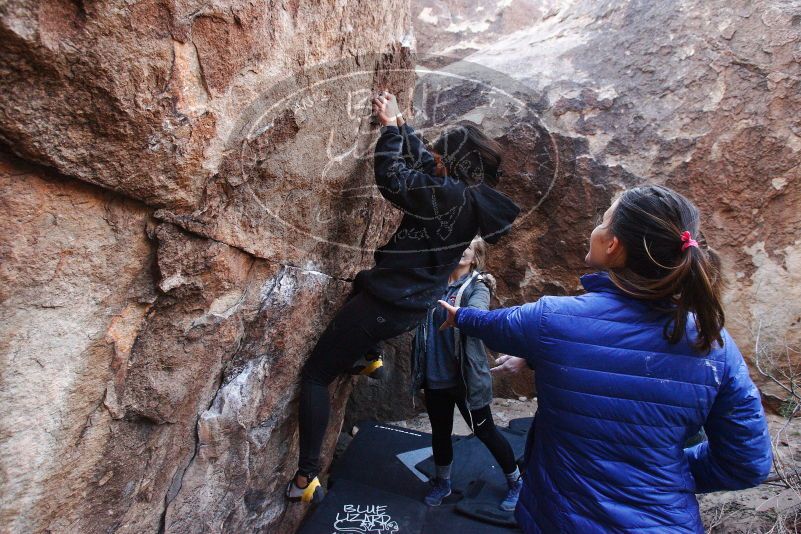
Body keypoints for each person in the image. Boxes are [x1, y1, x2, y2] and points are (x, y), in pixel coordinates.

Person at [438, 185, 772, 533]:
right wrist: (662, 472)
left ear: (612, 245)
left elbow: (494, 324)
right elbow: (747, 463)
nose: (596, 227)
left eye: (603, 219)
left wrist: (458, 317)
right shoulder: (713, 341)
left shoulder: (552, 319)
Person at [286, 90, 521, 503]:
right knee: (363, 279)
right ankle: (368, 356)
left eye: (440, 154)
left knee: (316, 376)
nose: (433, 156)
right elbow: (426, 160)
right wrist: (397, 123)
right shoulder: (464, 193)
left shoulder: (445, 195)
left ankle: (305, 477)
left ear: (452, 163)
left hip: (385, 306)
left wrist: (389, 135)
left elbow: (394, 177)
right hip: (406, 304)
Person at [411, 236, 523, 510]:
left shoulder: (478, 285)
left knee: (485, 431)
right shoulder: (435, 282)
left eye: (468, 247)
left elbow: (478, 314)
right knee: (440, 431)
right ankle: (442, 482)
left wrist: (460, 314)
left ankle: (516, 481)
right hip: (434, 373)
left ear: (475, 256)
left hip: (466, 377)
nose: (461, 249)